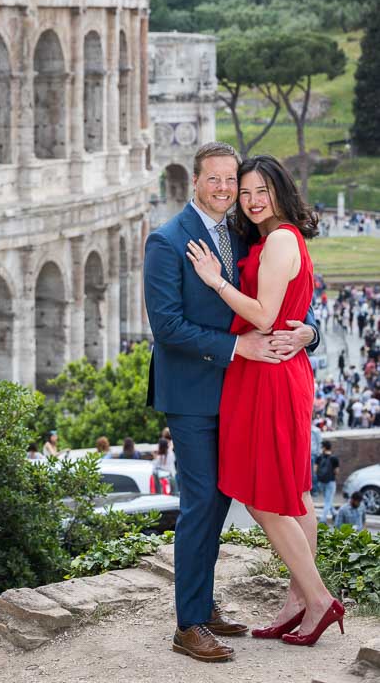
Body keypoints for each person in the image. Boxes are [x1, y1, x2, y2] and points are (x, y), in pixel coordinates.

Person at [144, 143, 319, 663]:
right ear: (194, 181)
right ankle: (189, 625)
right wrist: (238, 346)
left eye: (233, 183)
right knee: (202, 503)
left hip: (243, 390)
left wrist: (308, 333)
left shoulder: (244, 231)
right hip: (194, 394)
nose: (226, 190)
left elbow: (280, 298)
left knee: (225, 499)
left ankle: (204, 603)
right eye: (216, 180)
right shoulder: (167, 239)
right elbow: (167, 326)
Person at [187, 154, 343, 648]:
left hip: (269, 373)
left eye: (262, 192)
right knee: (294, 492)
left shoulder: (278, 239)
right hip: (276, 368)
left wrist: (216, 280)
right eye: (246, 192)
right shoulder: (277, 235)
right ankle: (299, 600)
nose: (252, 202)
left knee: (263, 493)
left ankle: (317, 600)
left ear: (280, 191)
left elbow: (263, 313)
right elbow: (291, 309)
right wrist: (308, 332)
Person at [315, 440, 340, 524]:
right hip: (331, 482)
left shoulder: (319, 457)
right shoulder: (334, 458)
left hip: (321, 482)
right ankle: (323, 520)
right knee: (327, 501)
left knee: (328, 500)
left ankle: (334, 513)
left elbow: (315, 470)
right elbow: (336, 471)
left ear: (324, 447)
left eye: (322, 447)